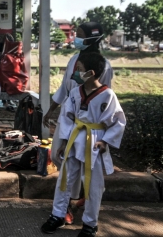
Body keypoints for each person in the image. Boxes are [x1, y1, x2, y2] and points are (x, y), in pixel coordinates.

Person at [41, 52, 126, 237]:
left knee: (93, 184)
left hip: (94, 142)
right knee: (65, 178)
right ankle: (58, 214)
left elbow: (118, 122)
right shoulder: (75, 92)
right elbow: (66, 117)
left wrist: (105, 141)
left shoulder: (108, 95)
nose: (77, 73)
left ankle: (90, 224)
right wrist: (63, 141)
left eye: (79, 69)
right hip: (74, 138)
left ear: (91, 73)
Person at [42, 22, 114, 224]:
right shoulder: (75, 59)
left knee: (85, 165)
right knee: (59, 156)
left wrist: (104, 136)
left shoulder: (104, 65)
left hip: (91, 125)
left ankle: (70, 204)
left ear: (92, 38)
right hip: (69, 119)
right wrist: (51, 110)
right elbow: (64, 88)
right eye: (76, 33)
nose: (75, 37)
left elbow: (105, 98)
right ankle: (71, 198)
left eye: (80, 35)